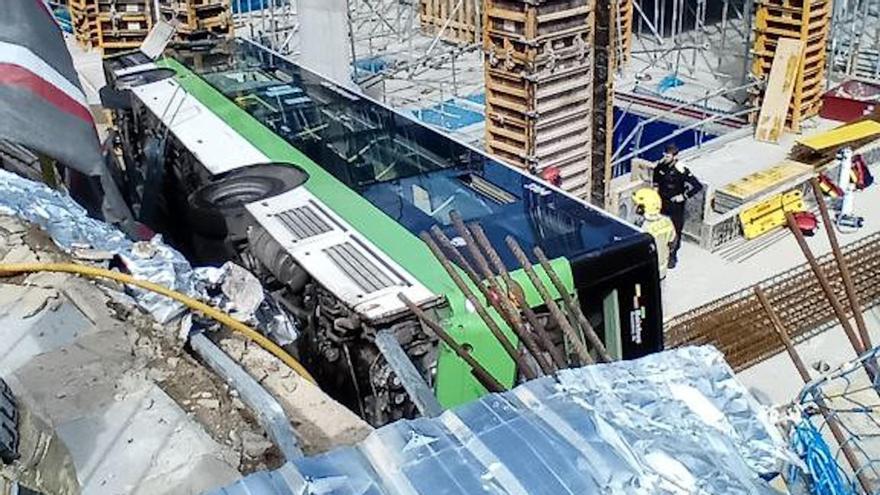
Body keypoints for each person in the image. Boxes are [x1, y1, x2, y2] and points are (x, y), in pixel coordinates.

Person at [652, 144, 702, 269]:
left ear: (675, 156)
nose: (665, 157)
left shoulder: (681, 169)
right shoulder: (660, 166)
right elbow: (656, 183)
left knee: (675, 230)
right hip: (662, 203)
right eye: (664, 155)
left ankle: (673, 254)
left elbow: (697, 186)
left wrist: (683, 196)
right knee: (660, 228)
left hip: (675, 205)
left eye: (668, 156)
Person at [632, 188, 676, 279]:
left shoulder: (643, 228)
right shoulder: (667, 221)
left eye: (637, 206)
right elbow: (672, 242)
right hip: (662, 269)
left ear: (642, 208)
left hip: (646, 271)